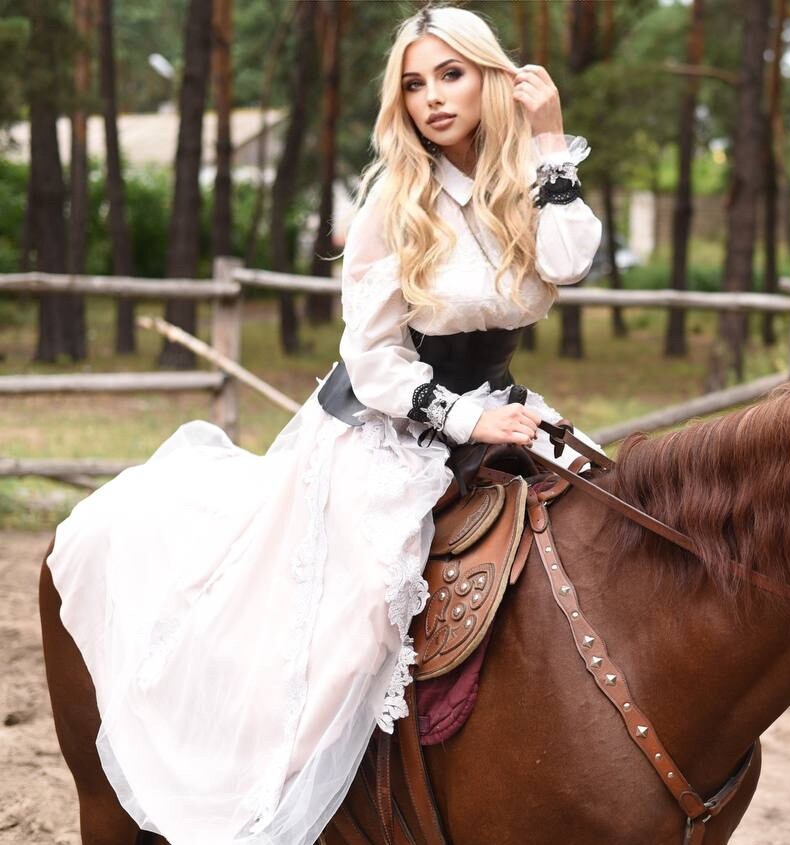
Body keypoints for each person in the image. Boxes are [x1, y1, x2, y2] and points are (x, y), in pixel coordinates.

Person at [44, 6, 603, 844]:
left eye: (450, 75)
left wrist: (550, 135)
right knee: (351, 624)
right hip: (386, 425)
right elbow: (373, 361)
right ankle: (285, 805)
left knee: (603, 527)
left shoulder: (522, 176)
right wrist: (467, 415)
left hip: (501, 407)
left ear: (490, 77)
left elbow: (568, 261)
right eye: (414, 84)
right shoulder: (393, 197)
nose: (432, 99)